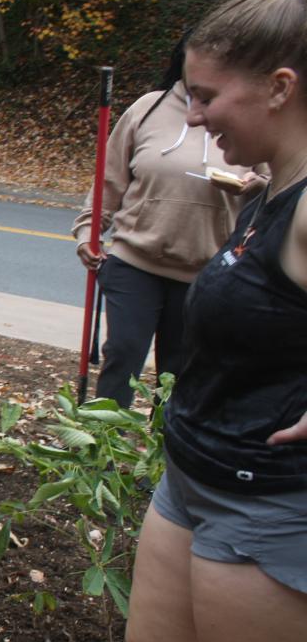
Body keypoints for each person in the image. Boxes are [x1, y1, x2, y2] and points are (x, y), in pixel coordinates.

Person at [17, 0, 307, 642]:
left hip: (267, 504)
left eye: (211, 95)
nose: (199, 113)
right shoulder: (269, 184)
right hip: (194, 473)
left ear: (282, 87)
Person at [71, 37, 260, 407]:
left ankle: (162, 453)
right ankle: (99, 450)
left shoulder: (244, 116)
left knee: (179, 370)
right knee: (123, 354)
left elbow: (281, 184)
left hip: (204, 270)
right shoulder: (148, 108)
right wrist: (87, 232)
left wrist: (259, 186)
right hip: (134, 260)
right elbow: (108, 180)